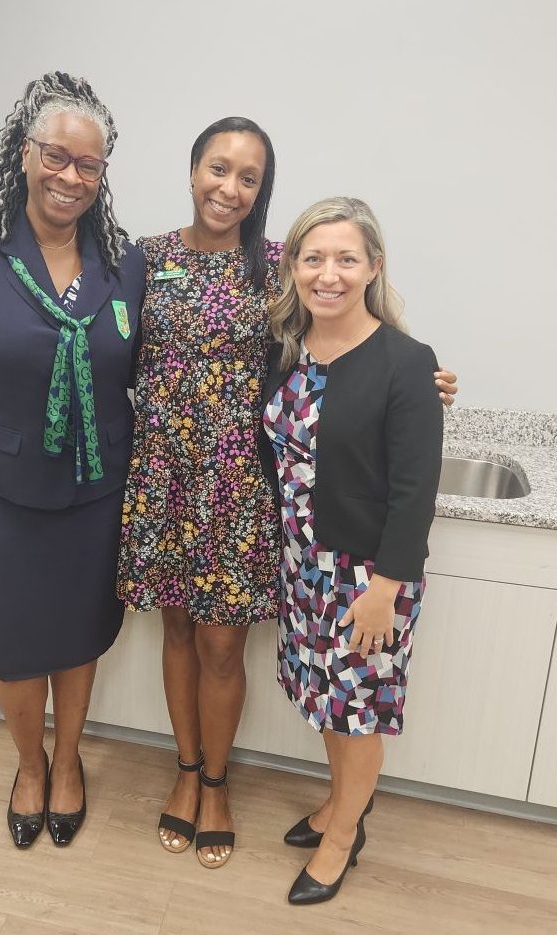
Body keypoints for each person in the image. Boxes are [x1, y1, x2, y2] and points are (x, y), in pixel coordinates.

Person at [118, 118, 456, 869]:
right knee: (174, 632)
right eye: (217, 168)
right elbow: (108, 342)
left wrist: (422, 381)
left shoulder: (275, 264)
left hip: (242, 488)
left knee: (219, 643)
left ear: (261, 191)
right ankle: (183, 774)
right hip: (162, 476)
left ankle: (216, 783)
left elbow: (351, 330)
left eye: (248, 177)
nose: (229, 187)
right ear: (192, 170)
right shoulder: (147, 258)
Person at [0, 72, 145, 849]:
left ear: (102, 176)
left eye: (89, 166)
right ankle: (28, 762)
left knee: (79, 635)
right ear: (25, 154)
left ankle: (70, 761)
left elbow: (180, 358)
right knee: (16, 645)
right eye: (57, 157)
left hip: (96, 493)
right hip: (2, 495)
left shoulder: (125, 265)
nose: (71, 177)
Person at [259, 196, 443, 904]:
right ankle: (339, 803)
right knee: (324, 702)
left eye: (344, 258)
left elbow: (413, 489)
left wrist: (385, 587)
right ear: (294, 267)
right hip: (303, 566)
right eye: (313, 258)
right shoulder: (287, 347)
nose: (327, 273)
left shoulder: (405, 362)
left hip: (366, 577)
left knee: (356, 710)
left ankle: (344, 834)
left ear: (371, 267)